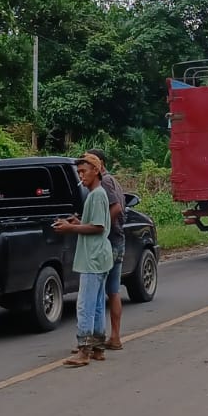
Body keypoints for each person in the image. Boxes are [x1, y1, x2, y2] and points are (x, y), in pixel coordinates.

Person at [53, 155, 113, 366]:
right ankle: (98, 348)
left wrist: (71, 228)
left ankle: (83, 350)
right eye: (79, 172)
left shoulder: (96, 195)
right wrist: (79, 222)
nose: (81, 176)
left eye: (84, 171)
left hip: (92, 258)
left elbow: (98, 227)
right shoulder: (97, 195)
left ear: (96, 170)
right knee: (96, 305)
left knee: (85, 305)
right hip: (100, 257)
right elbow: (95, 223)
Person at [84, 148, 127, 351]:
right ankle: (113, 338)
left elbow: (116, 207)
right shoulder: (114, 181)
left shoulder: (105, 183)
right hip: (118, 240)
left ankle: (95, 339)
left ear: (98, 165)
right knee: (112, 291)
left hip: (110, 241)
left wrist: (102, 225)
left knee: (101, 292)